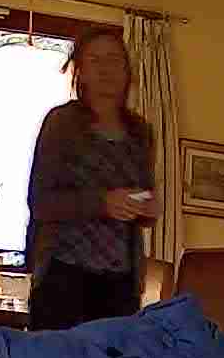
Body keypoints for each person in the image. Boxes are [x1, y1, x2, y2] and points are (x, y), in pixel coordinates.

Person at [25, 25, 158, 331]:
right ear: (80, 71)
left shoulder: (140, 131)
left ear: (126, 70)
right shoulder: (62, 123)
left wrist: (148, 208)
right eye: (95, 60)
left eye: (113, 59)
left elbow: (145, 195)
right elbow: (41, 202)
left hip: (121, 282)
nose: (105, 69)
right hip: (63, 276)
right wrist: (103, 203)